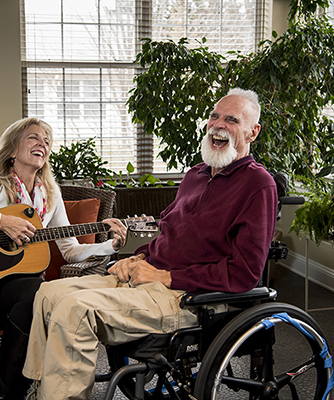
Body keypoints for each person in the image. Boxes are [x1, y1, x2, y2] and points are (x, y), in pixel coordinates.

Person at [21, 88, 279, 400]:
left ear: (253, 131)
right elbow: (171, 231)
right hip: (150, 279)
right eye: (214, 116)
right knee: (47, 293)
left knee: (76, 310)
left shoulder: (258, 185)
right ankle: (39, 390)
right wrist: (139, 257)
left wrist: (166, 277)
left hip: (191, 297)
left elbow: (244, 273)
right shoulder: (196, 175)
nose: (218, 124)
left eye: (232, 119)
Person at [0, 117, 127, 400]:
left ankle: (1, 396)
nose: (42, 144)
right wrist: (0, 222)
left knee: (37, 294)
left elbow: (70, 251)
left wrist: (108, 246)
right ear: (11, 150)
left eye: (46, 141)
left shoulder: (50, 196)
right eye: (33, 137)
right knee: (36, 294)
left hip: (26, 298)